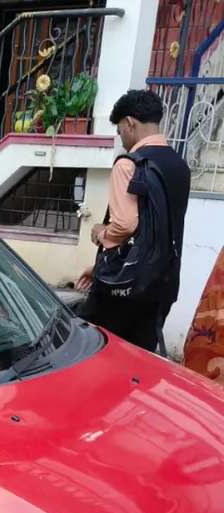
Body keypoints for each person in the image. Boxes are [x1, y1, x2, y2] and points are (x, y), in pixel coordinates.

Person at [76, 89, 190, 352]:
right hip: (163, 282)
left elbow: (126, 226)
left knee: (94, 350)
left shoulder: (129, 165)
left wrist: (100, 232)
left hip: (125, 286)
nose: (121, 139)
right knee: (138, 357)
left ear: (130, 123)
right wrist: (97, 270)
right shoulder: (179, 165)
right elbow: (156, 230)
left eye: (120, 131)